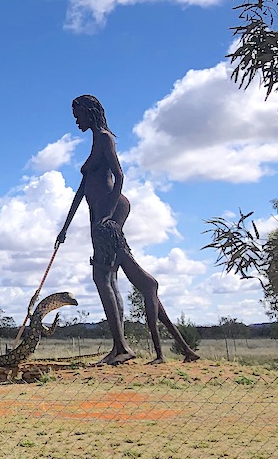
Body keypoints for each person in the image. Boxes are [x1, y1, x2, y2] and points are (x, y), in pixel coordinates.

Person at [55, 95, 198, 364]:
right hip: (98, 215)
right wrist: (65, 227)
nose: (76, 120)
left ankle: (121, 348)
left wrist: (107, 216)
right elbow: (82, 189)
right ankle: (132, 347)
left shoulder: (105, 138)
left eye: (78, 115)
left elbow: (119, 176)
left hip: (107, 214)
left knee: (103, 277)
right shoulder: (95, 141)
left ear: (88, 112)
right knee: (110, 276)